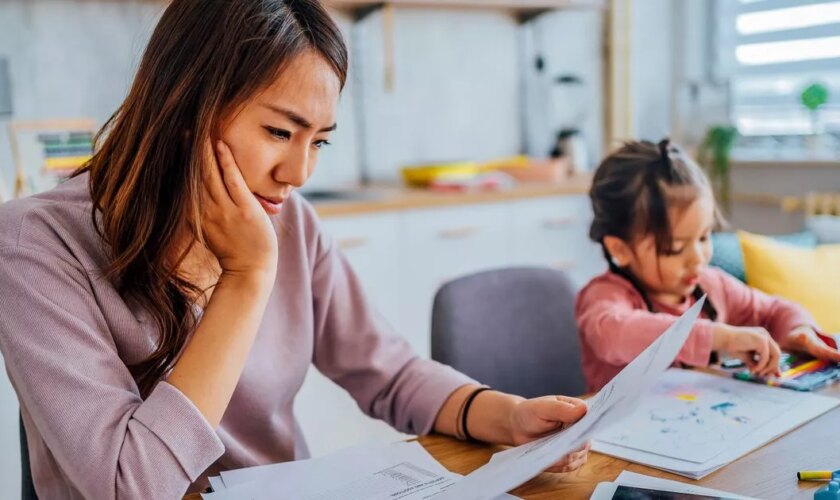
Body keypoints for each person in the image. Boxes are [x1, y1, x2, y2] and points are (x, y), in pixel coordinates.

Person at [0, 1, 589, 498]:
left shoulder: (291, 222)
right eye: (280, 132)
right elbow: (130, 485)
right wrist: (247, 277)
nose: (298, 172)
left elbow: (389, 372)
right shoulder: (36, 245)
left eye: (319, 142)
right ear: (184, 107)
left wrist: (507, 417)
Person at [575, 139, 840, 392]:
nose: (698, 257)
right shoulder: (603, 297)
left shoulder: (711, 285)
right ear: (620, 249)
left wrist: (798, 331)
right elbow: (616, 334)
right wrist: (719, 336)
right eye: (674, 249)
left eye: (704, 237)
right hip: (617, 436)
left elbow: (775, 310)